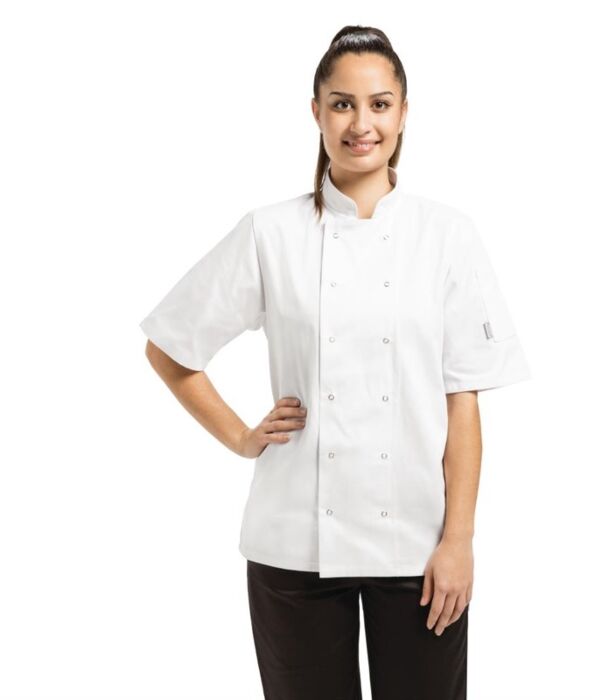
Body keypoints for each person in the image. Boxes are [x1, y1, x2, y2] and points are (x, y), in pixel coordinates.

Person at [139, 25, 531, 700]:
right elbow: (170, 346)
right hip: (294, 543)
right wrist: (241, 437)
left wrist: (459, 541)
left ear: (403, 114)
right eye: (343, 104)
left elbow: (461, 402)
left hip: (417, 546)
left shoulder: (446, 236)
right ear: (316, 111)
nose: (361, 123)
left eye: (379, 104)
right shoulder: (270, 232)